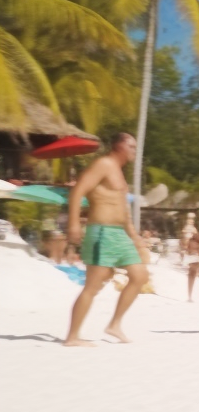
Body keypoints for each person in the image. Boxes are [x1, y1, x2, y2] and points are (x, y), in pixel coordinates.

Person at [63, 133, 149, 346]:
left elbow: (124, 211)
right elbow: (78, 190)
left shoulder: (119, 173)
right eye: (131, 146)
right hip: (101, 232)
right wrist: (73, 223)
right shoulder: (103, 164)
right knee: (93, 286)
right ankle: (72, 336)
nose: (134, 151)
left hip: (119, 234)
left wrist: (136, 239)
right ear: (119, 146)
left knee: (139, 276)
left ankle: (115, 324)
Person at [183, 231, 199, 302]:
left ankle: (189, 297)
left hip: (191, 261)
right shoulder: (197, 243)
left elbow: (187, 250)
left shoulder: (190, 242)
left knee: (191, 279)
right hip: (196, 261)